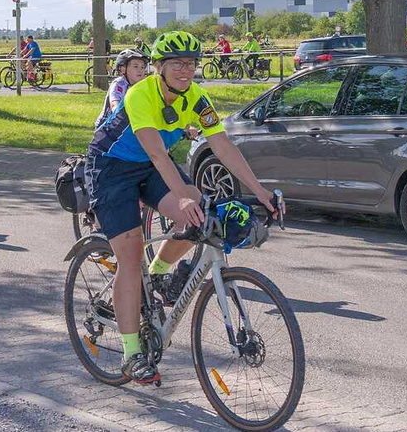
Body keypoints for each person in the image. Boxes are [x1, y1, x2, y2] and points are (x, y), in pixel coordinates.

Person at [85, 31, 279, 385]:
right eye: (176, 63)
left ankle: (158, 272)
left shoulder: (197, 98)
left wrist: (260, 190)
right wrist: (183, 196)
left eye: (190, 63)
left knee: (200, 216)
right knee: (130, 256)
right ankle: (131, 354)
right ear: (158, 67)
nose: (185, 69)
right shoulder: (140, 94)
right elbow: (158, 153)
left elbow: (222, 145)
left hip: (148, 167)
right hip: (111, 169)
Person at [97, 49, 149, 126]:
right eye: (136, 66)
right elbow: (114, 104)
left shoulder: (141, 85)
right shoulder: (119, 83)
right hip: (108, 126)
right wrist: (118, 110)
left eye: (142, 67)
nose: (140, 70)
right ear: (123, 69)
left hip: (128, 124)